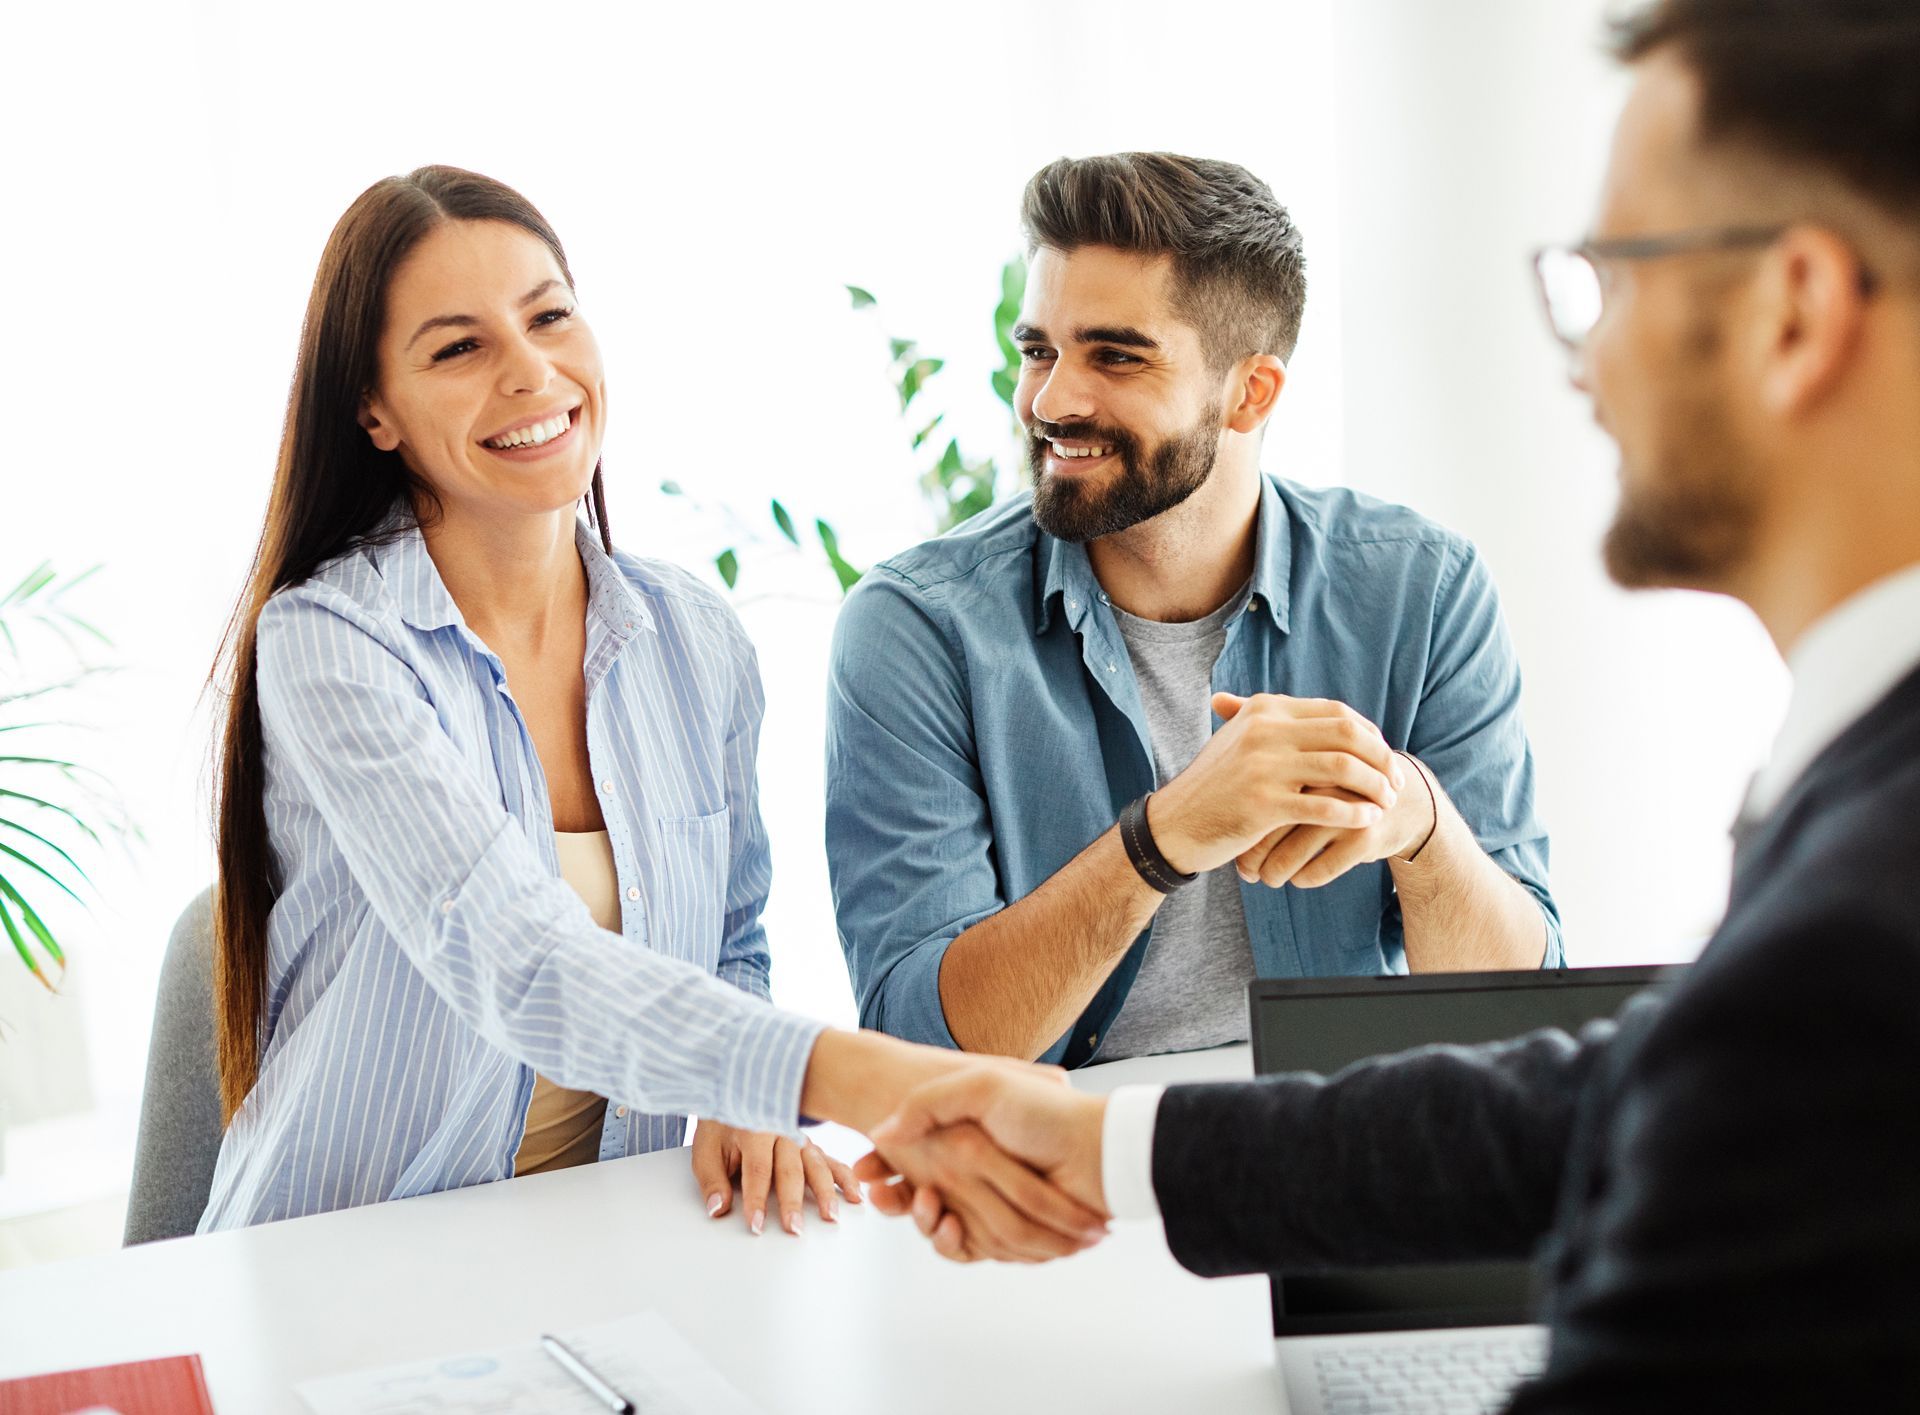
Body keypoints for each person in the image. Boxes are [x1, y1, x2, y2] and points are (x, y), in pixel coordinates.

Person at [857, 0, 1920, 1403]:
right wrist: (1123, 1152)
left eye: (1613, 273)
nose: (1579, 359)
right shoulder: (1855, 790)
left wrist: (1417, 823)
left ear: (1793, 312)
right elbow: (1623, 1095)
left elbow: (1599, 1068)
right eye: (1036, 345)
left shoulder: (1867, 900)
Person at [198, 165, 1106, 1264]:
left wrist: (743, 1093)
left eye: (549, 317)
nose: (531, 372)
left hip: (610, 1240)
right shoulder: (333, 642)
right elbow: (522, 958)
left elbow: (729, 934)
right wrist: (884, 1081)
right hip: (343, 1261)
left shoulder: (691, 635)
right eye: (458, 347)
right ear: (373, 408)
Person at [827, 152, 1562, 1070]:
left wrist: (1416, 822)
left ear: (1250, 393)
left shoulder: (1422, 591)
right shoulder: (918, 628)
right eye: (1039, 350)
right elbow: (911, 1047)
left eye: (1116, 355)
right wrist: (1164, 835)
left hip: (1335, 1149)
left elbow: (1519, 1010)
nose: (1051, 400)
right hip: (1058, 1174)